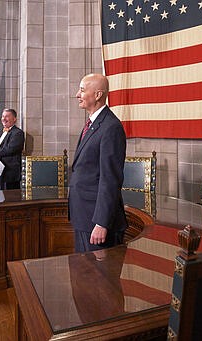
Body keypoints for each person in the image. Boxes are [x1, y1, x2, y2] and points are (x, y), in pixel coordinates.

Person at [68, 73, 128, 253]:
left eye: (82, 90)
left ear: (98, 95)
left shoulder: (111, 127)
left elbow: (110, 179)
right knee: (83, 275)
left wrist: (101, 222)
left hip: (96, 221)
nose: (77, 94)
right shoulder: (92, 123)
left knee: (97, 278)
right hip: (84, 214)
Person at [0, 108, 25, 190]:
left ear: (14, 119)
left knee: (9, 200)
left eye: (7, 116)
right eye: (3, 116)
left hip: (9, 173)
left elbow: (10, 149)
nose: (3, 119)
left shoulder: (18, 133)